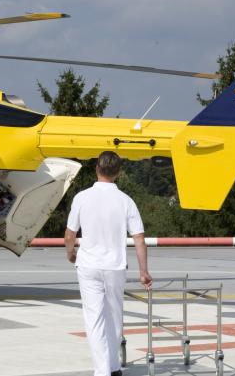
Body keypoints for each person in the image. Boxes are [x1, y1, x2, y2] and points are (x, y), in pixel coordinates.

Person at [65, 151, 152, 376]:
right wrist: (144, 271)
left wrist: (71, 252)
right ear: (118, 172)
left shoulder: (81, 197)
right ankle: (112, 366)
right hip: (115, 265)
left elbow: (70, 233)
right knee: (114, 316)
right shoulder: (126, 201)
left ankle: (103, 370)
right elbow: (139, 238)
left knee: (94, 318)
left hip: (88, 265)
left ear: (97, 169)